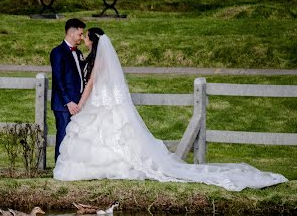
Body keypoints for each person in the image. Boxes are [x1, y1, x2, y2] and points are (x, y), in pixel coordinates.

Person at [53, 28, 288, 192]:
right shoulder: (94, 57)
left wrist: (81, 104)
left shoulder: (97, 59)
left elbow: (92, 83)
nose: (83, 39)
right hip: (104, 102)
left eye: (86, 37)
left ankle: (111, 168)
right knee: (110, 137)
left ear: (93, 40)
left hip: (99, 103)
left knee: (104, 137)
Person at [50, 18, 86, 162]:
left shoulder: (78, 53)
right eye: (80, 34)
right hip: (64, 105)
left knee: (76, 136)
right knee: (63, 135)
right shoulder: (58, 52)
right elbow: (58, 80)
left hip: (78, 104)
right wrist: (68, 102)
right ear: (71, 33)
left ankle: (72, 165)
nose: (82, 38)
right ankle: (59, 166)